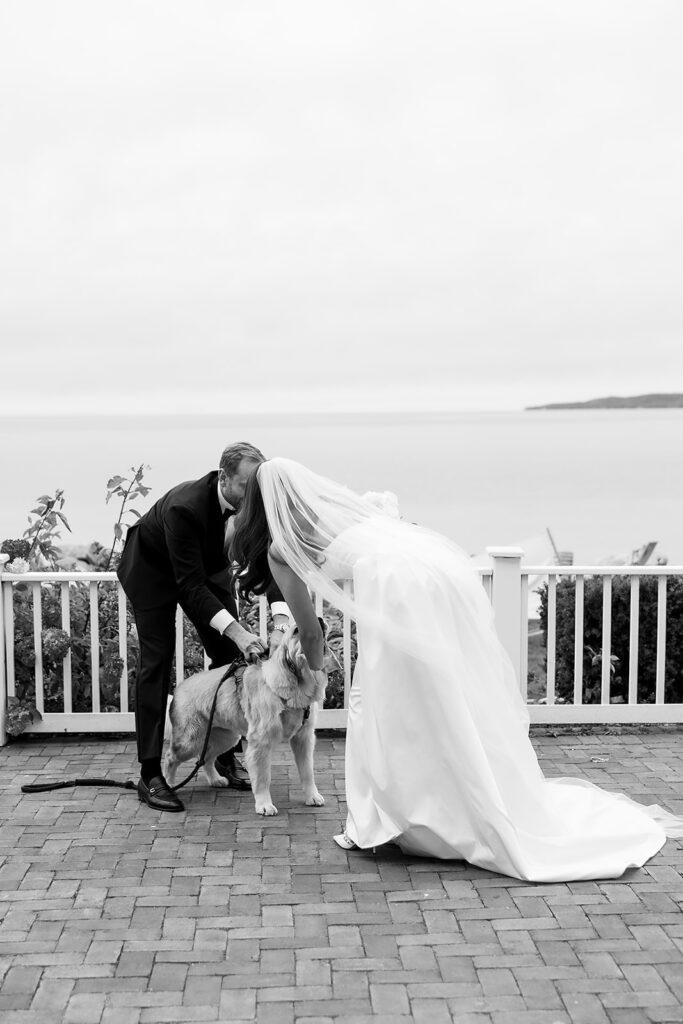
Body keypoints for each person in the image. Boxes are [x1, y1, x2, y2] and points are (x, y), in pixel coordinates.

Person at [231, 456, 683, 882]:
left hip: (397, 592)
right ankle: (431, 808)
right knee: (431, 698)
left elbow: (309, 632)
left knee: (380, 707)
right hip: (430, 573)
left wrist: (314, 676)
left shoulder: (282, 547)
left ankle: (398, 819)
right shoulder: (334, 511)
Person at [117, 442, 291, 812]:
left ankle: (223, 754)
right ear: (224, 477)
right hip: (152, 571)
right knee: (157, 661)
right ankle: (150, 773)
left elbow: (268, 559)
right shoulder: (185, 506)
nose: (253, 495)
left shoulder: (253, 502)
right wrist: (240, 631)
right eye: (246, 486)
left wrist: (279, 617)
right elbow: (189, 588)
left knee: (230, 656)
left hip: (204, 569)